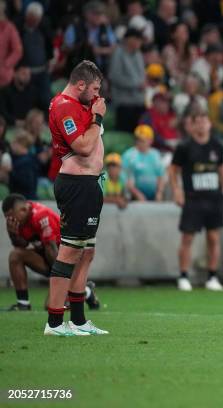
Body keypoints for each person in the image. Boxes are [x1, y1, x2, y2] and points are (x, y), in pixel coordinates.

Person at [46, 60, 108, 336]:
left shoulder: (80, 104)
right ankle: (55, 323)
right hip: (77, 184)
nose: (97, 95)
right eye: (94, 88)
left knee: (85, 252)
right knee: (70, 251)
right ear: (80, 84)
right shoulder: (64, 106)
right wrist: (98, 118)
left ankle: (79, 321)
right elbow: (82, 147)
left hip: (90, 183)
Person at [2, 193, 100, 311]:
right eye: (7, 217)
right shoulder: (21, 220)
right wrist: (12, 234)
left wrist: (60, 280)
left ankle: (85, 291)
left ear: (23, 209)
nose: (10, 220)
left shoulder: (41, 216)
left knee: (50, 306)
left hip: (66, 261)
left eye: (11, 216)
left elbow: (51, 249)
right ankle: (23, 303)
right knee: (15, 255)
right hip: (50, 259)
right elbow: (22, 245)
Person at [168, 106, 223, 292]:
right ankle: (184, 276)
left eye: (204, 121)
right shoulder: (184, 147)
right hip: (193, 198)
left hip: (214, 198)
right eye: (197, 122)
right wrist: (177, 191)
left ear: (210, 124)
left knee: (214, 237)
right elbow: (173, 170)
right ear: (191, 126)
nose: (202, 125)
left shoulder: (217, 145)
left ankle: (212, 276)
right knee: (188, 237)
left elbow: (221, 169)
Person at [108, 28, 146, 133]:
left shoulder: (138, 54)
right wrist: (136, 84)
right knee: (125, 133)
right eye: (137, 39)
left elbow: (142, 76)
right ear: (129, 39)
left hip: (139, 101)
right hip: (124, 103)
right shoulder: (118, 53)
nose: (139, 42)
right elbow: (114, 76)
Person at [121, 124, 165, 201]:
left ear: (151, 140)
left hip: (154, 196)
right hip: (133, 196)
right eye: (137, 139)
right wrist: (137, 194)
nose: (139, 142)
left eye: (142, 140)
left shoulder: (155, 154)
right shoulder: (129, 155)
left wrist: (159, 192)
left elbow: (161, 176)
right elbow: (124, 178)